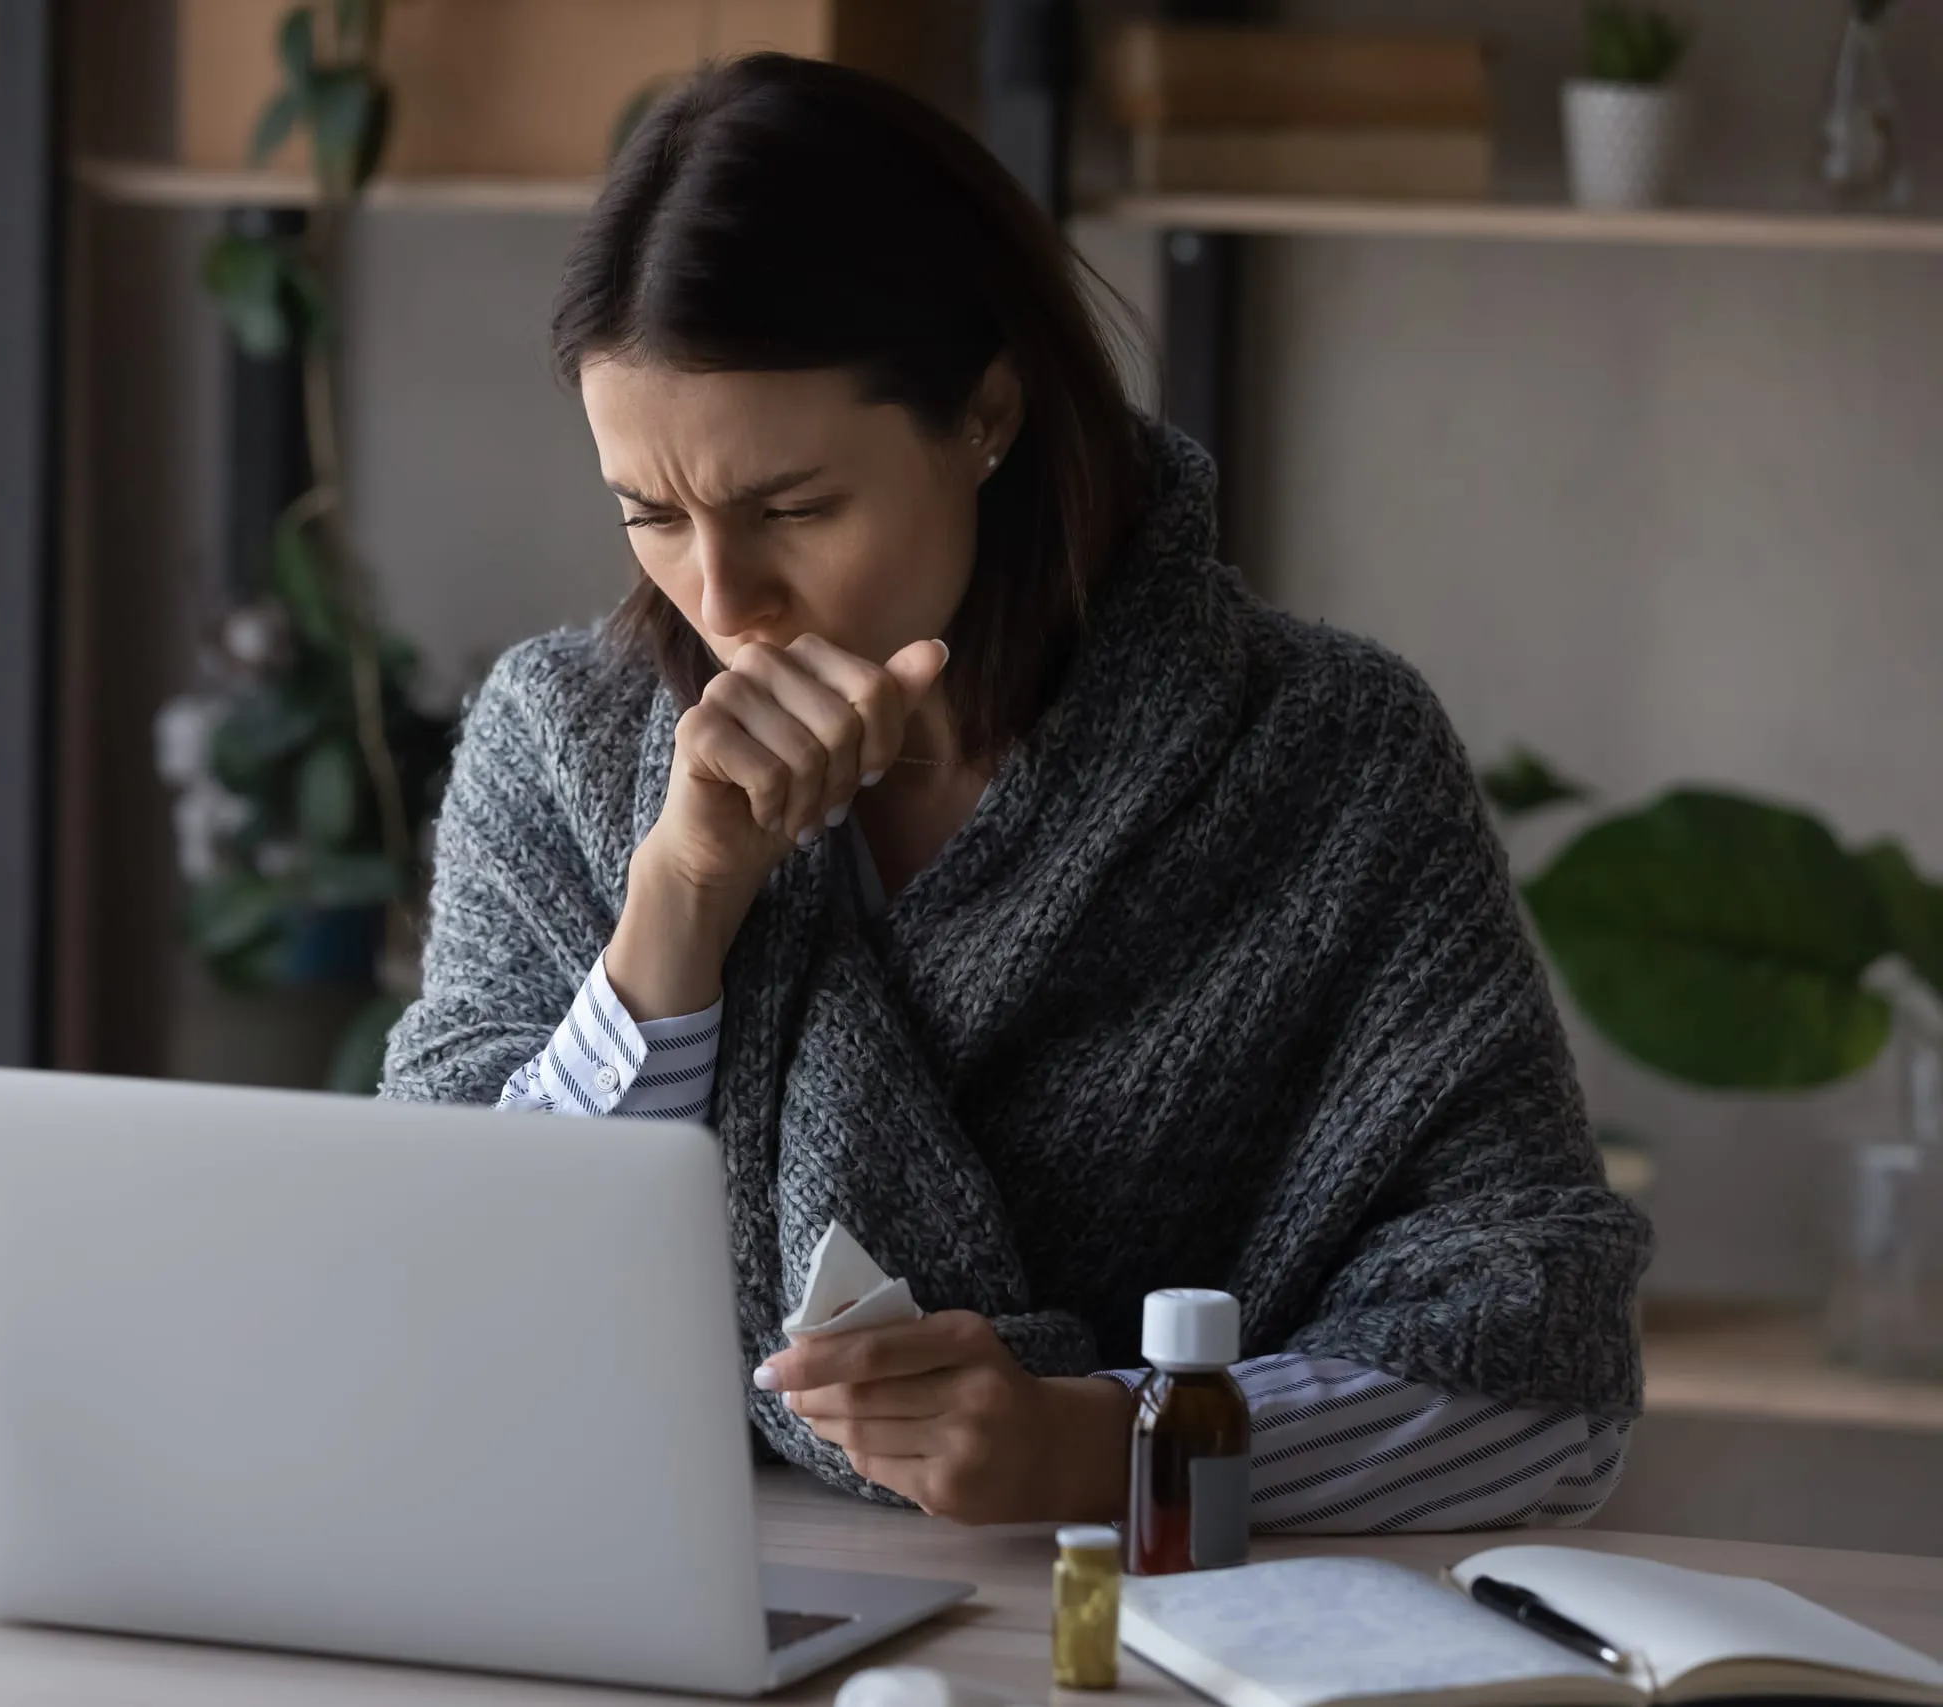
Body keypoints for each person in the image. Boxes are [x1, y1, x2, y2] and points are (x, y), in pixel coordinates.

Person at [381, 54, 1649, 1531]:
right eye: (650, 514)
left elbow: (1553, 1384)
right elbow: (448, 1300)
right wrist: (676, 905)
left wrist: (1109, 1446)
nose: (722, 595)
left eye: (792, 507)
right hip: (686, 1608)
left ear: (986, 412)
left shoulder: (1323, 755)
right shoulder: (561, 739)